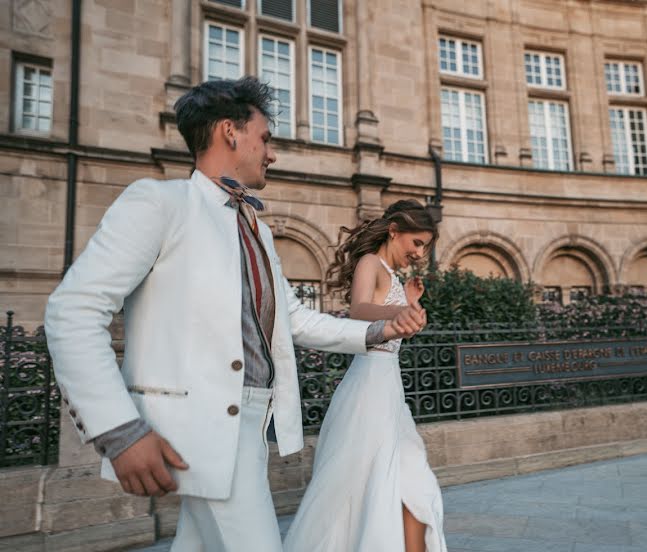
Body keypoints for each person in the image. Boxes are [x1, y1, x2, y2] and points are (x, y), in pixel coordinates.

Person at [43, 76, 426, 551]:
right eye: (265, 138)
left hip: (250, 426)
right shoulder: (161, 204)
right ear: (230, 132)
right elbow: (72, 311)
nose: (272, 153)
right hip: (199, 431)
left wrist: (380, 328)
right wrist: (118, 428)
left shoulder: (258, 233)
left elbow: (295, 320)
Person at [283, 200, 447, 552]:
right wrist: (401, 308)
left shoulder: (396, 277)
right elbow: (358, 311)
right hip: (368, 390)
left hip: (390, 390)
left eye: (425, 247)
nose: (420, 253)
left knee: (414, 482)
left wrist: (412, 304)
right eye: (417, 242)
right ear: (394, 231)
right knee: (364, 484)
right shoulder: (370, 263)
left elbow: (394, 324)